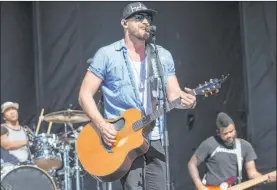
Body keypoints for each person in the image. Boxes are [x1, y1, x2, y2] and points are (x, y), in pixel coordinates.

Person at [78, 2, 197, 190]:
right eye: (139, 17)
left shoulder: (162, 56)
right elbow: (84, 95)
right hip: (122, 138)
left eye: (148, 18)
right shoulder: (107, 55)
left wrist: (188, 101)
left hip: (155, 138)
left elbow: (174, 96)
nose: (145, 22)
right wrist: (102, 126)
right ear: (124, 23)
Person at [188, 112, 276, 190]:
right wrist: (199, 185)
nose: (229, 135)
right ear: (218, 133)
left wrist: (265, 179)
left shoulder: (245, 146)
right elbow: (192, 164)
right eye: (225, 133)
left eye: (231, 131)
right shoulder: (209, 144)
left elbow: (252, 173)